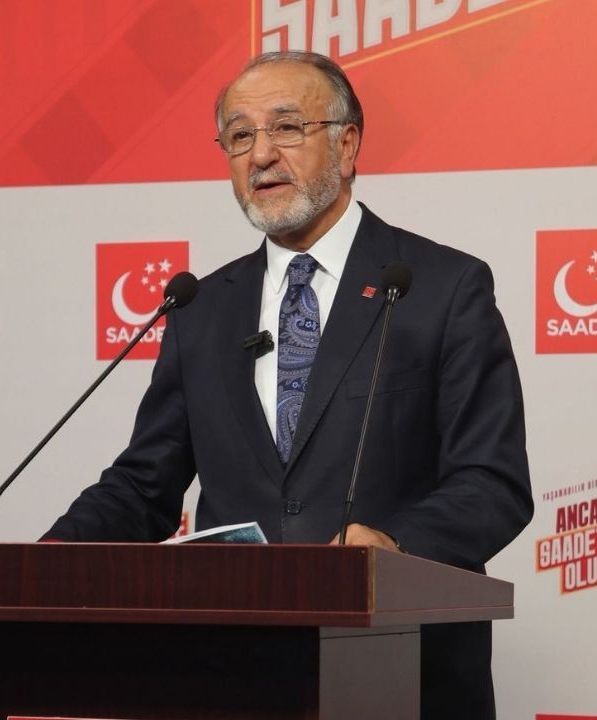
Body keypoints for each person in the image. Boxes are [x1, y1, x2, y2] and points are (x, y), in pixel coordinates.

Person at [43, 50, 533, 719]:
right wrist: (49, 556)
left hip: (405, 671)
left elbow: (492, 482)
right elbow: (143, 487)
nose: (261, 155)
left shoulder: (439, 288)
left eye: (286, 128)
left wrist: (393, 548)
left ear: (347, 144)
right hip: (237, 679)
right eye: (239, 136)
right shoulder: (201, 309)